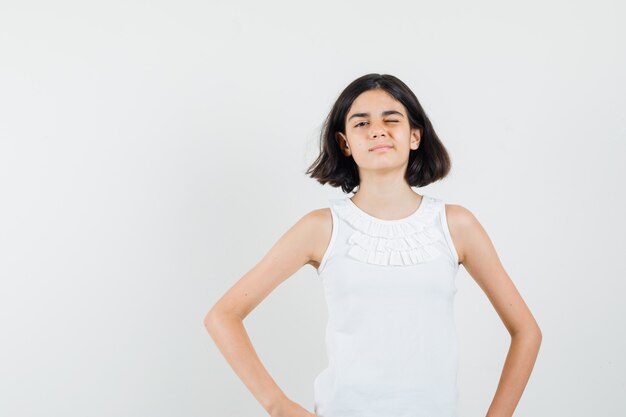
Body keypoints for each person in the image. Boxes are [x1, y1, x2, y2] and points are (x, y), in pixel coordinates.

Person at [204, 73, 542, 417]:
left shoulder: (456, 225)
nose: (377, 130)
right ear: (345, 143)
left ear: (414, 136)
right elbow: (223, 316)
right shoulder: (321, 228)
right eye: (361, 123)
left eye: (391, 119)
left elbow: (526, 332)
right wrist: (278, 406)